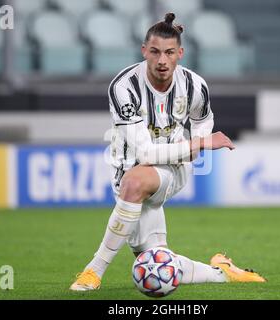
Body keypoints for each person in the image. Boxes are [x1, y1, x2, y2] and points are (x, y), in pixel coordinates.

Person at [70, 13, 266, 291]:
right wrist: (198, 144)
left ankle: (93, 271)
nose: (162, 60)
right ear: (143, 51)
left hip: (173, 169)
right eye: (155, 52)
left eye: (169, 53)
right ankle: (221, 272)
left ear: (180, 53)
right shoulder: (124, 87)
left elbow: (203, 119)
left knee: (136, 182)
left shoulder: (195, 85)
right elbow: (146, 153)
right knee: (153, 261)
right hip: (130, 167)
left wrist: (196, 142)